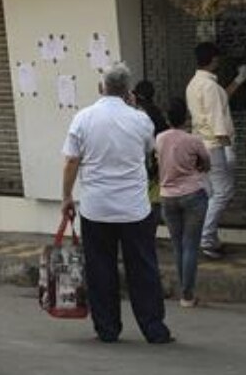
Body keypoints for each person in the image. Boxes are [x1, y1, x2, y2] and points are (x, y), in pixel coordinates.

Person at [62, 63, 172, 345]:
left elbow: (72, 161)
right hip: (134, 208)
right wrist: (133, 107)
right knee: (143, 269)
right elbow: (148, 151)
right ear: (128, 91)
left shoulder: (83, 118)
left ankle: (108, 329)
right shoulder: (141, 120)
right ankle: (154, 328)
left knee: (100, 268)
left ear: (102, 87)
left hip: (96, 208)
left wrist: (66, 197)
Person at [185, 42, 246, 259]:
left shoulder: (194, 84)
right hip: (213, 145)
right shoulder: (210, 87)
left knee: (210, 194)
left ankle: (209, 238)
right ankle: (204, 238)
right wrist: (227, 147)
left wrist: (239, 80)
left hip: (199, 144)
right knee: (223, 192)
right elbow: (217, 120)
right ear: (214, 59)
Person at [155, 97, 211, 307]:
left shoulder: (159, 139)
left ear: (167, 118)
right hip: (193, 194)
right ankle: (187, 295)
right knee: (190, 245)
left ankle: (184, 291)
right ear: (186, 117)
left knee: (178, 246)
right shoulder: (193, 140)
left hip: (167, 197)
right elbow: (206, 162)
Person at [133, 80, 168, 233]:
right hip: (157, 161)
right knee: (154, 200)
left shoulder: (140, 113)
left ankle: (147, 232)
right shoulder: (156, 111)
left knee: (149, 201)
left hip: (147, 163)